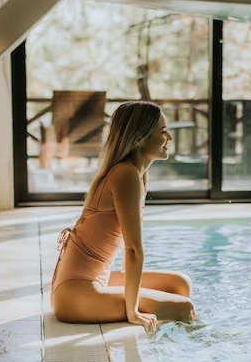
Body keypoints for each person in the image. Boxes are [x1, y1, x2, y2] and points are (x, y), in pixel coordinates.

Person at [51, 101, 197, 333]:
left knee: (179, 284)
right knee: (184, 307)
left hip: (95, 280)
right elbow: (133, 250)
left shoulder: (138, 174)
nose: (169, 137)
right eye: (162, 131)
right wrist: (133, 311)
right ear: (139, 138)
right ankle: (212, 347)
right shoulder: (125, 174)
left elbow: (127, 252)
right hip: (76, 293)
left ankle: (165, 340)